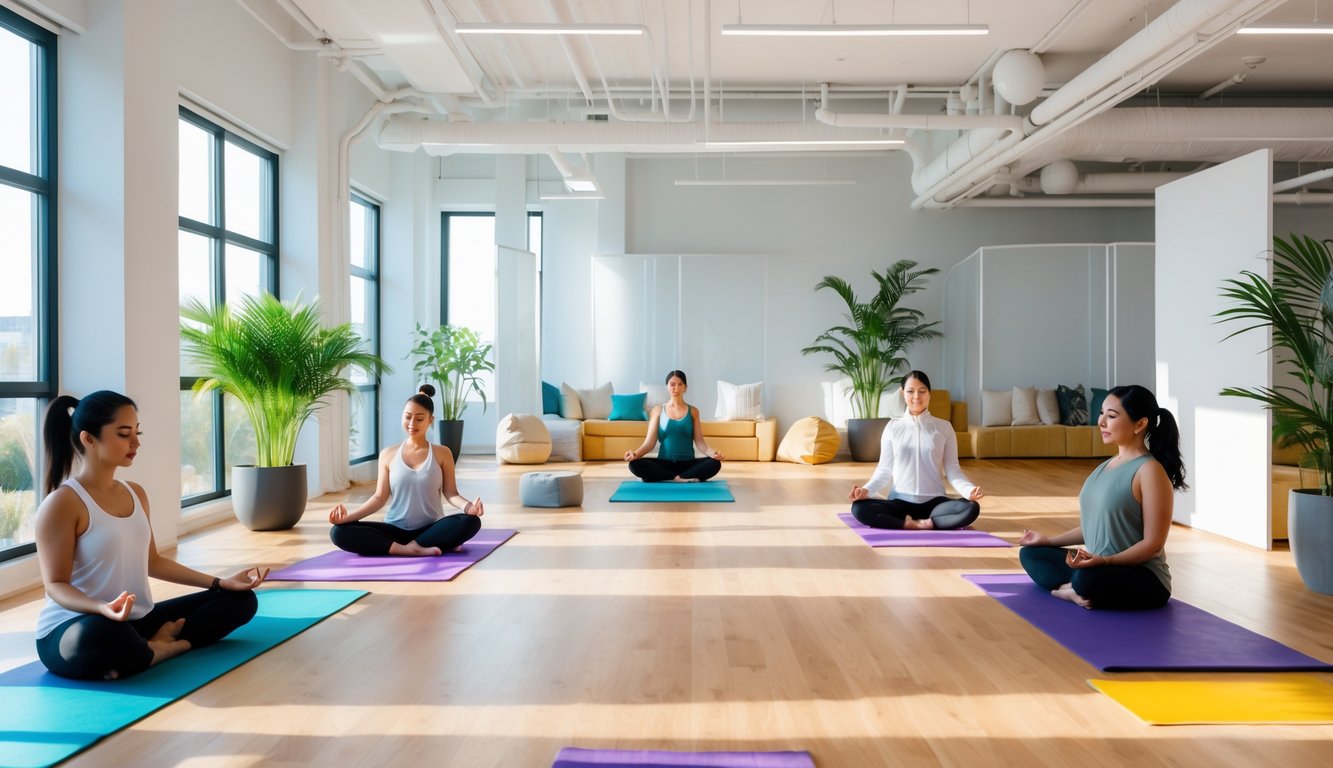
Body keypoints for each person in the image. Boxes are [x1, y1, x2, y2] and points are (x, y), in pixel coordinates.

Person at [34, 391, 266, 681]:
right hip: (74, 626)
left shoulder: (135, 493)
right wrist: (102, 608)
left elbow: (153, 562)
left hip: (135, 620)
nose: (136, 443)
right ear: (88, 439)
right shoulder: (62, 503)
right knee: (100, 636)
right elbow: (55, 584)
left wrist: (222, 583)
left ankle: (148, 649)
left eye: (137, 432)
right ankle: (162, 648)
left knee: (240, 601)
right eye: (123, 434)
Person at [1017, 384, 1187, 610]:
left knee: (1088, 579)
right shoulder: (1105, 466)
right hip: (1099, 565)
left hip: (1142, 576)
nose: (1101, 422)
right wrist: (1048, 541)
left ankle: (1073, 587)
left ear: (1140, 424)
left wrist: (1105, 561)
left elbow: (1153, 545)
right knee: (1031, 553)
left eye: (1112, 415)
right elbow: (1094, 526)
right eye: (1101, 413)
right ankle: (1072, 589)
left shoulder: (1150, 471)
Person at [329, 384, 483, 556]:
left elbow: (451, 493)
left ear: (430, 420)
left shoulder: (442, 453)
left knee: (471, 521)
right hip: (394, 529)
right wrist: (347, 518)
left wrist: (469, 507)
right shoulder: (388, 454)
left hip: (431, 528)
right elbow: (379, 498)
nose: (412, 424)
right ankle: (408, 549)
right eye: (407, 417)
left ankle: (422, 543)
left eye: (419, 419)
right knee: (338, 532)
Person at [847, 370, 983, 530]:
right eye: (910, 391)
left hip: (935, 503)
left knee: (971, 508)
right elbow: (884, 470)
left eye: (922, 391)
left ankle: (928, 522)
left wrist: (969, 490)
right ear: (903, 393)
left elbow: (953, 469)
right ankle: (908, 523)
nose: (916, 396)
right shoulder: (892, 427)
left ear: (929, 394)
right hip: (900, 501)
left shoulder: (944, 427)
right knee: (859, 508)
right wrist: (866, 490)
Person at [623, 370, 723, 482]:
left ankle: (669, 477)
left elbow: (700, 443)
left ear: (685, 388)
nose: (676, 387)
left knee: (715, 463)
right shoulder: (657, 411)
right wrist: (635, 454)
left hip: (688, 464)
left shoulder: (694, 411)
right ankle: (679, 478)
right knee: (634, 464)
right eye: (672, 384)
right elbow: (649, 443)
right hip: (664, 463)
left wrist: (713, 453)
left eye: (680, 384)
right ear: (667, 387)